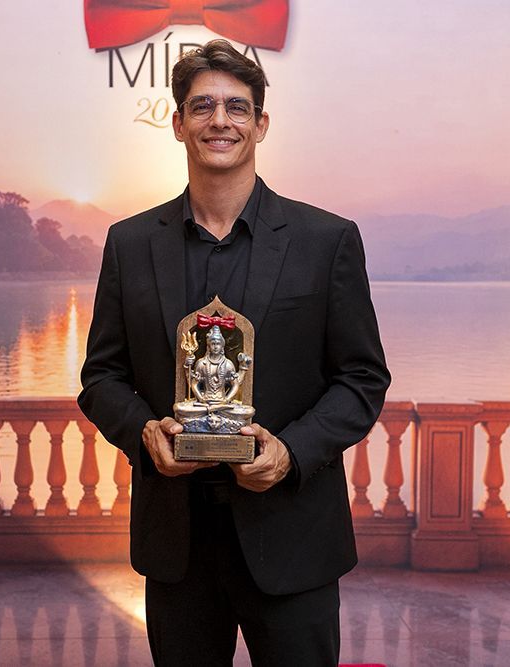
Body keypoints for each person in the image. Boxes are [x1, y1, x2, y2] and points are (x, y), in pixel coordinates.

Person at [78, 39, 390, 666]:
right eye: (202, 106)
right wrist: (144, 434)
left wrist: (290, 452)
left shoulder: (326, 240)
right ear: (177, 124)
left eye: (236, 107)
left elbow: (362, 378)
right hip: (177, 541)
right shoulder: (129, 243)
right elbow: (101, 377)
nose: (219, 120)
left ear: (261, 124)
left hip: (294, 534)